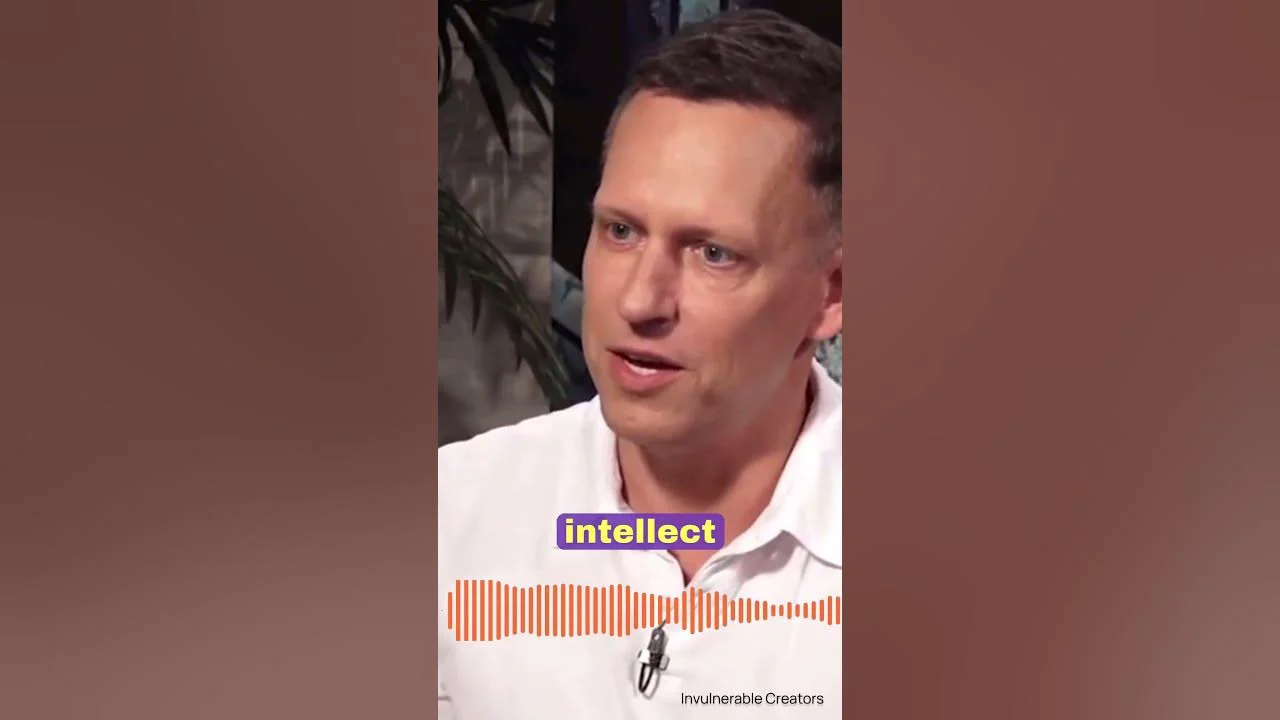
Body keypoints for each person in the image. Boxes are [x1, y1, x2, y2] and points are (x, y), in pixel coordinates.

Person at [438, 10, 843, 718]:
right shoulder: (451, 516)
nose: (638, 301)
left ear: (831, 295)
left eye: (713, 253)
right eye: (620, 231)